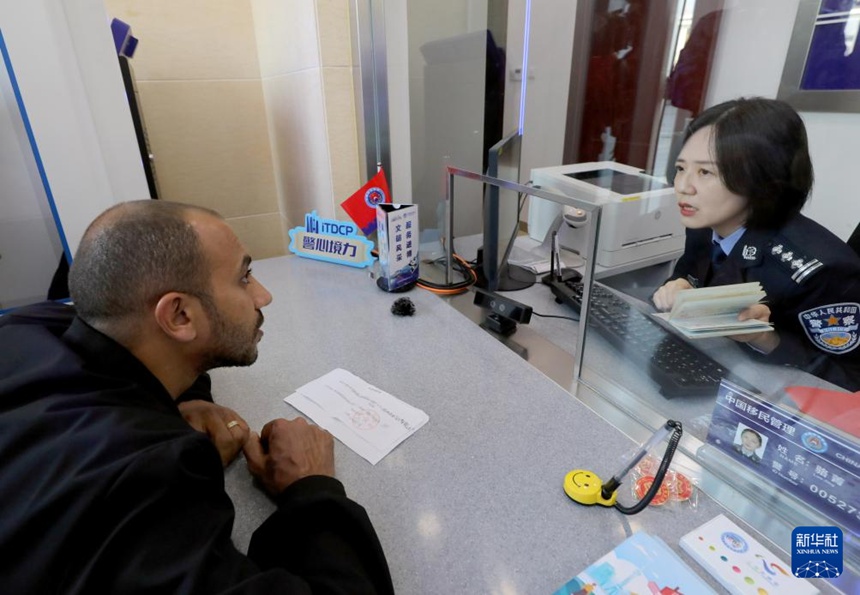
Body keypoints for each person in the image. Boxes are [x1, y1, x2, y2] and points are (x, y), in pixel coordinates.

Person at [0, 200, 394, 594]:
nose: (264, 296)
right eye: (245, 278)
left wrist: (179, 396)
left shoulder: (27, 327)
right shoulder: (145, 480)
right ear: (179, 316)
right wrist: (311, 487)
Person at [652, 97, 860, 391]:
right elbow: (694, 274)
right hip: (711, 375)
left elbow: (850, 378)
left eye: (705, 172)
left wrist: (764, 339)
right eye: (681, 168)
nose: (683, 187)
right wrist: (680, 285)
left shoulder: (819, 271)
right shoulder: (705, 222)